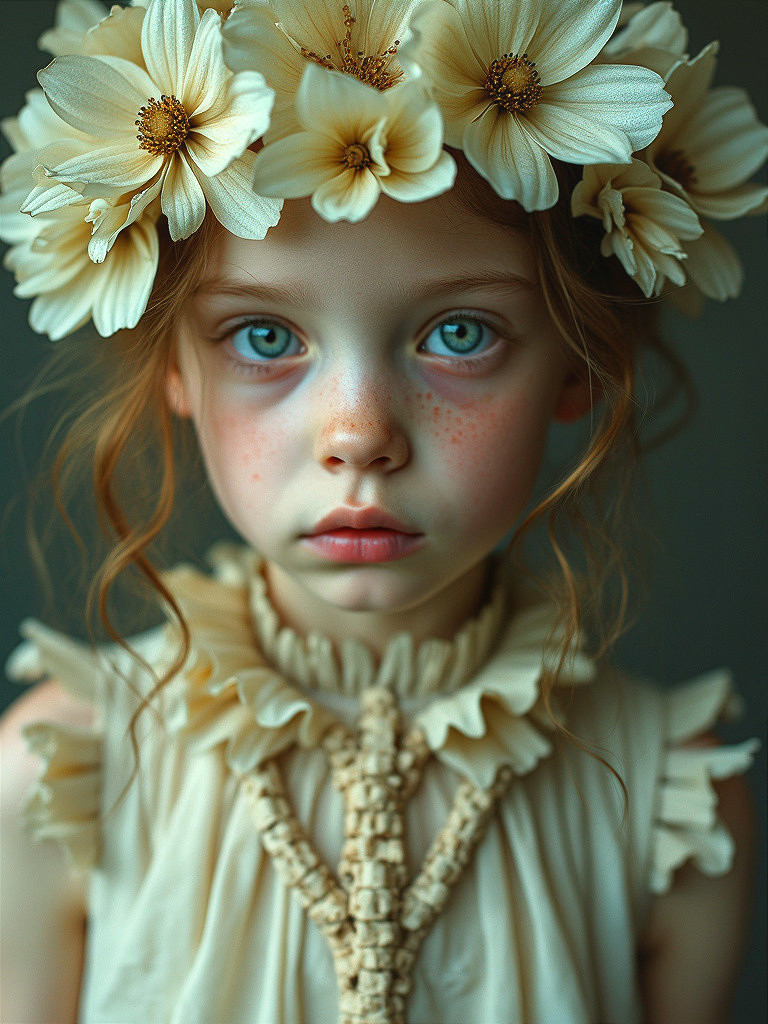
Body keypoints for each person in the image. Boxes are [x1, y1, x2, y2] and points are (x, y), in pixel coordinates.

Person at [0, 0, 764, 1022]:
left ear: (582, 359)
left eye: (459, 331)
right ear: (172, 359)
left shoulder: (678, 810)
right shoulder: (57, 780)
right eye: (265, 338)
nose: (358, 435)